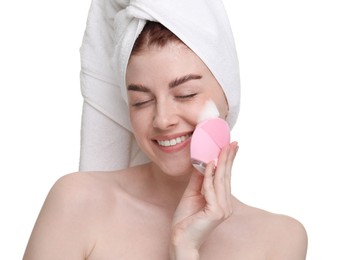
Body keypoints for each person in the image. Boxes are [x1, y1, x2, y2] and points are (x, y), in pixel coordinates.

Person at [23, 0, 308, 259]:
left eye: (185, 94)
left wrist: (184, 249)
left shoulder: (279, 239)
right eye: (141, 101)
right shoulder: (78, 202)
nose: (162, 119)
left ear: (227, 98)